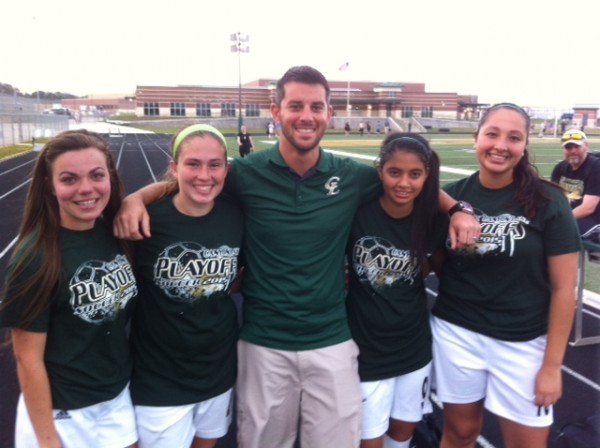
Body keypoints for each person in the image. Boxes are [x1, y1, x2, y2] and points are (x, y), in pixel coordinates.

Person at [113, 65, 480, 448]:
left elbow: (411, 181)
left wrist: (459, 209)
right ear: (276, 112)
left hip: (332, 339)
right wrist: (137, 198)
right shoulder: (245, 174)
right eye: (296, 105)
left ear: (328, 113)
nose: (307, 116)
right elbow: (192, 178)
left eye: (317, 107)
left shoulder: (353, 176)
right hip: (263, 342)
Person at [430, 103, 581, 448]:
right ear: (477, 137)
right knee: (460, 434)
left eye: (514, 138)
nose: (501, 145)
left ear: (524, 145)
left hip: (524, 342)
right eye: (492, 134)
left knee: (526, 444)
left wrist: (552, 366)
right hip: (457, 333)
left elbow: (563, 289)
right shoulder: (450, 196)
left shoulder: (548, 201)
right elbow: (435, 259)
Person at [0, 130, 138, 448]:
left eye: (96, 175)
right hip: (62, 412)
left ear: (110, 178)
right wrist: (48, 441)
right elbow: (27, 360)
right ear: (50, 184)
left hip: (115, 397)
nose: (86, 189)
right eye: (69, 179)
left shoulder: (114, 233)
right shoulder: (36, 256)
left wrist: (138, 199)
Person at [130, 124, 243, 448]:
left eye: (214, 164)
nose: (204, 175)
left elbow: (238, 277)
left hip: (218, 373)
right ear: (174, 168)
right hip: (159, 380)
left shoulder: (236, 217)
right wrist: (136, 198)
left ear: (226, 169)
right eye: (193, 164)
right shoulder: (146, 220)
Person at [347, 133, 447, 448]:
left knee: (403, 430)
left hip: (413, 346)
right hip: (366, 349)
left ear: (426, 175)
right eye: (395, 172)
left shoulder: (432, 219)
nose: (404, 182)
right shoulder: (358, 213)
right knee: (369, 435)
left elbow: (435, 266)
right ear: (380, 171)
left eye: (414, 174)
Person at [551, 129, 600, 242]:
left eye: (577, 146)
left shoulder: (596, 167)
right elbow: (552, 198)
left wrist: (559, 219)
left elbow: (588, 208)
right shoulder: (560, 168)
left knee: (559, 232)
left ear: (586, 146)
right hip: (570, 215)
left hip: (593, 218)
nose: (572, 151)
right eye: (568, 147)